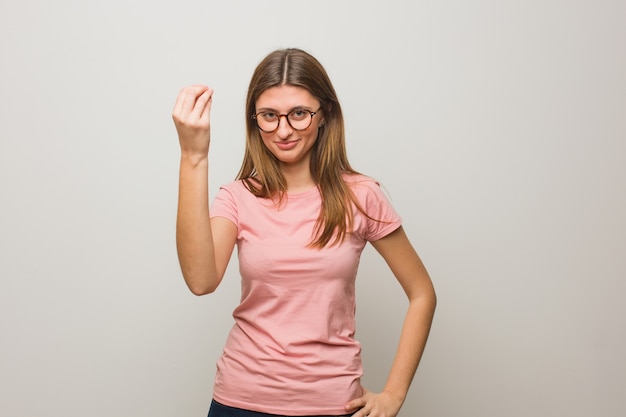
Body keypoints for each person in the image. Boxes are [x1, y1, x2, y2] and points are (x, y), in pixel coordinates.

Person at [172, 48, 436, 417]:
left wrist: (393, 394)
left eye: (299, 113)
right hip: (239, 402)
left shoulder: (361, 196)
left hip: (331, 403)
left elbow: (422, 293)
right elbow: (201, 281)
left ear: (323, 113)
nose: (283, 130)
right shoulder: (238, 197)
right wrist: (193, 156)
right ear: (255, 119)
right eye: (269, 116)